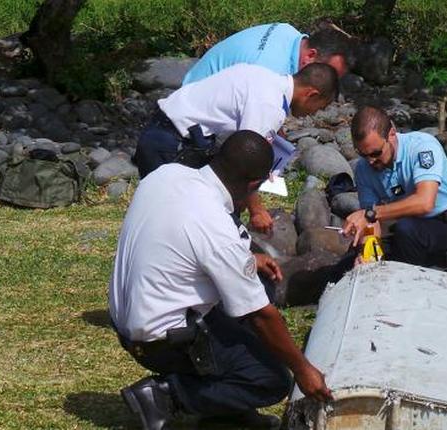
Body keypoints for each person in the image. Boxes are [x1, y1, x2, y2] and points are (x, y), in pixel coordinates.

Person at [110, 130, 332, 430]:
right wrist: (303, 369)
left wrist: (249, 259)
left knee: (260, 282)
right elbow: (260, 316)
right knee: (270, 379)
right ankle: (166, 395)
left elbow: (179, 242)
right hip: (159, 341)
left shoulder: (166, 174)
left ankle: (227, 412)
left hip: (128, 319)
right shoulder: (214, 224)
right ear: (254, 184)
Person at [133, 62, 339, 233]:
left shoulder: (263, 75)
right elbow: (245, 163)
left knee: (167, 217)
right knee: (174, 223)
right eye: (318, 108)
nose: (312, 114)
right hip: (173, 144)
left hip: (162, 130)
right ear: (312, 94)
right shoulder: (269, 105)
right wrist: (257, 211)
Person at [341, 105, 447, 268]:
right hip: (414, 232)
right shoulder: (364, 169)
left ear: (391, 134)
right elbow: (371, 224)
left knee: (406, 230)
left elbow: (425, 203)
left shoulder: (422, 146)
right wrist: (367, 254)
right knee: (351, 259)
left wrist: (370, 213)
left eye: (376, 153)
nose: (370, 161)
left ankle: (412, 285)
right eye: (363, 154)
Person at [182, 23, 350, 85]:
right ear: (310, 56)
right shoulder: (270, 71)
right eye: (330, 75)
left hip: (196, 83)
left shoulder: (287, 31)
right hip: (191, 118)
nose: (329, 85)